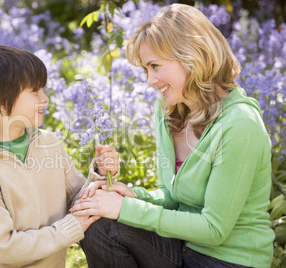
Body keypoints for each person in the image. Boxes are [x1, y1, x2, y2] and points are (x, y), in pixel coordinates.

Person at [70, 3, 274, 268]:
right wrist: (133, 195)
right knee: (98, 223)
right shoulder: (170, 110)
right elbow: (174, 196)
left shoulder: (240, 124)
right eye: (146, 69)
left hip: (229, 260)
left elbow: (213, 229)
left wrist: (123, 209)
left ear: (192, 56)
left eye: (155, 66)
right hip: (184, 247)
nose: (150, 81)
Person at [0, 44, 119, 268]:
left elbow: (78, 202)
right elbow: (4, 247)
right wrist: (69, 228)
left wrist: (100, 175)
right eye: (34, 91)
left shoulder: (48, 143)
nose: (45, 98)